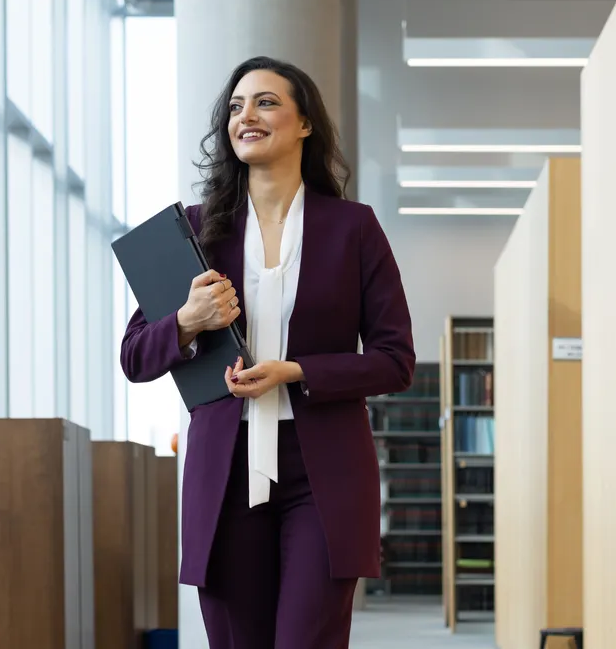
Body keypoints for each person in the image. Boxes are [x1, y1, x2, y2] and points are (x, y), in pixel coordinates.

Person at [120, 55, 416, 648]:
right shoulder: (198, 231)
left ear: (305, 123)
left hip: (324, 474)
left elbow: (395, 358)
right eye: (235, 106)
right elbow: (134, 357)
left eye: (265, 102)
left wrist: (298, 371)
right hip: (223, 473)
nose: (245, 116)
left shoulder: (353, 228)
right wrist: (186, 321)